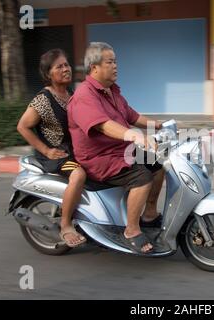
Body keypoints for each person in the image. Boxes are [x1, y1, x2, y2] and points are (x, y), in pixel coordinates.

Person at [68, 42, 164, 254]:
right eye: (110, 62)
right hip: (99, 158)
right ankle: (131, 230)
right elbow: (102, 124)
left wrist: (158, 125)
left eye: (115, 61)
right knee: (142, 177)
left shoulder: (111, 92)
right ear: (94, 67)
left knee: (158, 165)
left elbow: (132, 115)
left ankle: (149, 214)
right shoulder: (85, 95)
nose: (115, 66)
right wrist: (133, 134)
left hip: (119, 151)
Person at [17, 49, 87, 248]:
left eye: (67, 65)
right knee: (79, 175)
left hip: (73, 150)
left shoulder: (70, 94)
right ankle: (65, 225)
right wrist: (46, 150)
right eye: (60, 66)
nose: (66, 69)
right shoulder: (43, 99)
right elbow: (22, 126)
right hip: (57, 156)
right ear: (49, 74)